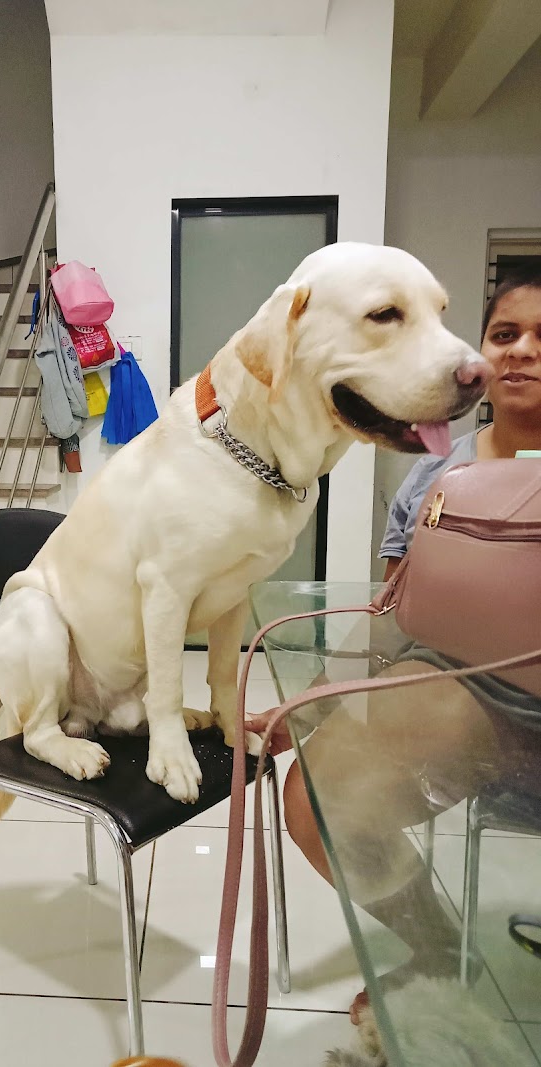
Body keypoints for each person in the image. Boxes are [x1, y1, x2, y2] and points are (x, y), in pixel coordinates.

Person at [249, 270, 541, 1021]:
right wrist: (309, 709)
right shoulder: (436, 471)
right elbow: (393, 614)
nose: (520, 351)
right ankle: (440, 951)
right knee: (318, 797)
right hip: (465, 690)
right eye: (505, 334)